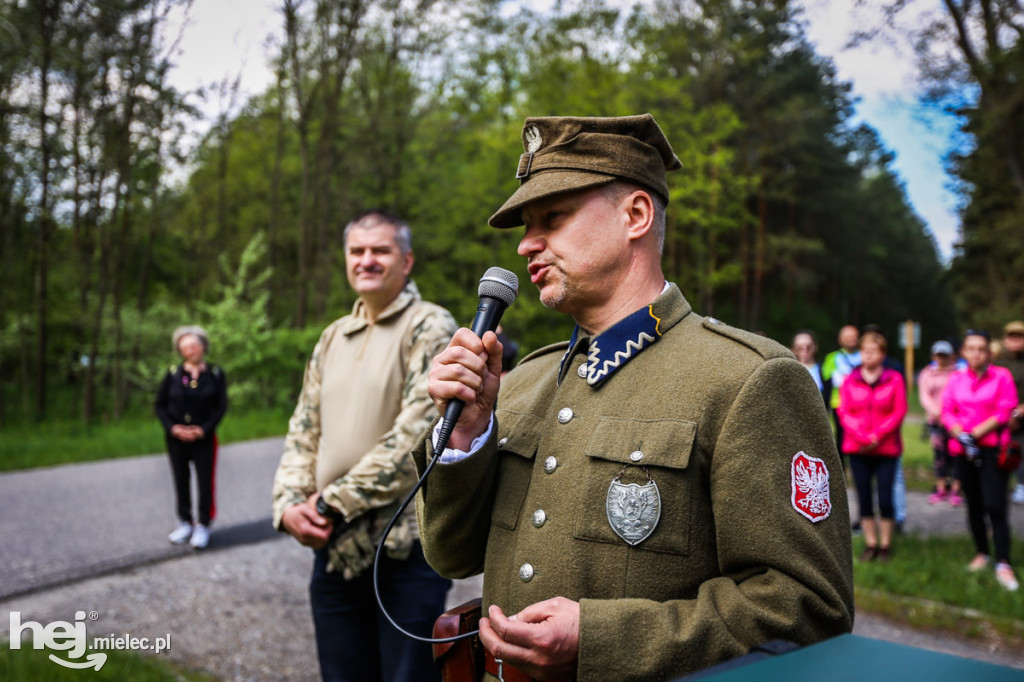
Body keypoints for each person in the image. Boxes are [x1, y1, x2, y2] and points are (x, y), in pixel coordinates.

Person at [413, 114, 854, 681]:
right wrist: (468, 434)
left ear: (636, 215)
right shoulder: (521, 380)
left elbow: (808, 609)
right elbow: (451, 556)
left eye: (553, 216)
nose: (526, 243)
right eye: (526, 224)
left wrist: (601, 639)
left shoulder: (748, 377)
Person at [271, 210, 458, 681]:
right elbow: (303, 430)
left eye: (381, 250)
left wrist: (330, 503)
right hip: (333, 546)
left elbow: (417, 436)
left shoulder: (430, 325)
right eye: (358, 251)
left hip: (402, 552)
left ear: (407, 260)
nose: (367, 260)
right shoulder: (334, 335)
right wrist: (289, 504)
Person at [942, 330, 1020, 591]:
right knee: (973, 504)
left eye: (981, 349)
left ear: (989, 352)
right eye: (971, 348)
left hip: (991, 449)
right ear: (963, 352)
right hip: (963, 450)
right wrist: (959, 433)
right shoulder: (955, 378)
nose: (976, 353)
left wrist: (974, 434)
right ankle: (982, 553)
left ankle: (1003, 562)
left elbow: (1005, 409)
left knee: (995, 505)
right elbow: (947, 411)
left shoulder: (1002, 376)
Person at [155, 325, 228, 550]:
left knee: (205, 481)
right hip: (176, 438)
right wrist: (173, 428)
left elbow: (221, 406)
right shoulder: (174, 374)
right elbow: (160, 405)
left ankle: (203, 524)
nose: (190, 351)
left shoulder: (214, 374)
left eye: (194, 346)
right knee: (180, 478)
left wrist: (203, 429)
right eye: (184, 347)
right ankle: (185, 522)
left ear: (203, 346)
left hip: (203, 438)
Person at [837, 331, 907, 562]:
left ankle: (886, 545)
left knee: (886, 498)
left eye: (873, 351)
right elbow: (844, 411)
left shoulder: (894, 379)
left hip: (886, 448)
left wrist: (877, 435)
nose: (868, 355)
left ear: (883, 354)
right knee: (864, 496)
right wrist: (861, 436)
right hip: (857, 448)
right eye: (864, 351)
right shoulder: (850, 379)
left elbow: (899, 411)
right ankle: (871, 543)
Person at [918, 340, 961, 506]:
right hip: (935, 421)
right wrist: (937, 413)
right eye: (939, 355)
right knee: (939, 456)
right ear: (934, 356)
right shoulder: (927, 373)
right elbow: (924, 396)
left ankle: (956, 489)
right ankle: (941, 487)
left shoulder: (958, 373)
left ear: (951, 356)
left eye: (945, 355)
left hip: (955, 422)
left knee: (956, 455)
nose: (941, 359)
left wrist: (948, 416)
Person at [993, 320, 1024, 504]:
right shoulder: (998, 362)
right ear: (1005, 339)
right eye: (1012, 336)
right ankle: (1000, 486)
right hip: (1002, 416)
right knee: (1000, 453)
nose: (1015, 340)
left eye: (1019, 337)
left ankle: (1021, 485)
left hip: (1022, 416)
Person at [822, 325, 861, 461]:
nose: (852, 339)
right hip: (839, 402)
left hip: (860, 403)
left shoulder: (865, 355)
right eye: (848, 336)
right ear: (840, 340)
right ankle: (842, 469)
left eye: (854, 336)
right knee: (841, 437)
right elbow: (826, 380)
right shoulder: (832, 358)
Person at [792, 329, 827, 404]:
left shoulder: (824, 370)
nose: (805, 350)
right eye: (799, 347)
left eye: (808, 346)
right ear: (794, 349)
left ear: (815, 347)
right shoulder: (789, 372)